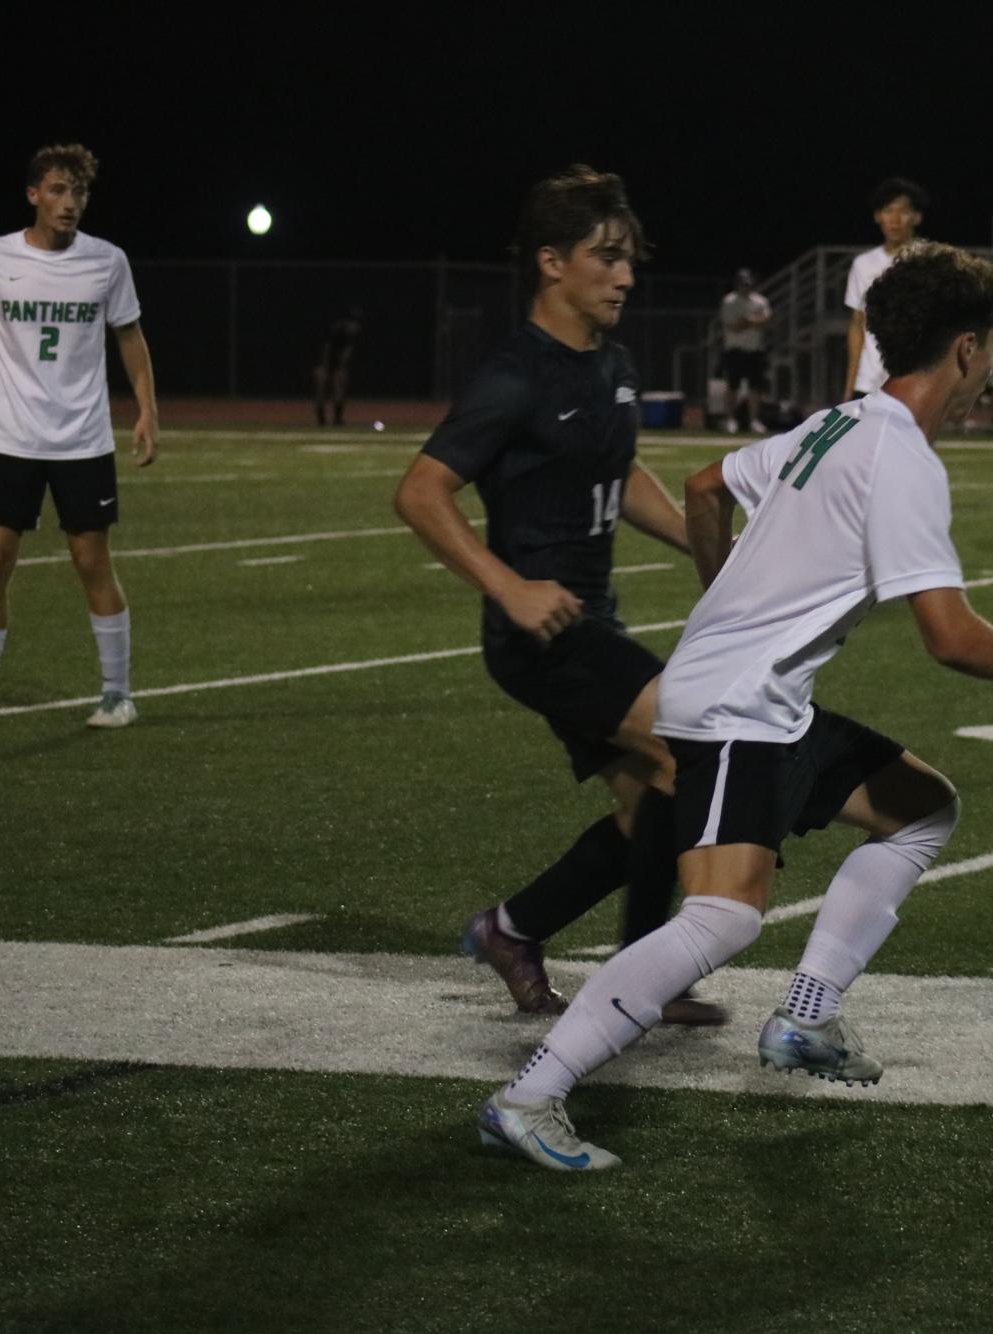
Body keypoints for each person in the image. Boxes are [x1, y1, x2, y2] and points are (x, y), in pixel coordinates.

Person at [476, 243, 993, 1171]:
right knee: (724, 919)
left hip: (755, 699)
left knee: (920, 810)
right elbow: (950, 637)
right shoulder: (900, 458)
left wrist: (725, 598)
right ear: (969, 351)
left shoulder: (839, 422)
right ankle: (529, 1096)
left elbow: (704, 486)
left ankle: (806, 1018)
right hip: (738, 708)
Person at [393, 167, 721, 1026]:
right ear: (550, 263)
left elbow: (620, 476)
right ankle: (637, 975)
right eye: (605, 258)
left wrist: (712, 542)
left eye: (629, 259)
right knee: (686, 753)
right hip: (537, 637)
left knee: (654, 794)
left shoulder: (611, 362)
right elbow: (421, 493)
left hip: (592, 619)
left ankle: (517, 931)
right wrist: (507, 585)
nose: (625, 275)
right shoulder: (513, 377)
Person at [0, 142, 159, 730]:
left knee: (91, 559)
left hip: (83, 440)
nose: (69, 203)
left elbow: (130, 338)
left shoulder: (108, 261)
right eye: (57, 190)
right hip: (9, 437)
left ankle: (117, 693)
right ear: (33, 195)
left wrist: (147, 409)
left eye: (78, 192)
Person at [842, 177, 927, 400]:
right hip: (868, 383)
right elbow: (857, 324)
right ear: (877, 216)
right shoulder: (863, 264)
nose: (895, 219)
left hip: (914, 383)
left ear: (917, 217)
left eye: (904, 211)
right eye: (888, 211)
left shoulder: (929, 261)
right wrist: (849, 387)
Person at [717, 268, 770, 434]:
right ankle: (731, 420)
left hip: (754, 349)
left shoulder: (760, 301)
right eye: (742, 284)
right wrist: (752, 320)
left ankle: (754, 420)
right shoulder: (730, 301)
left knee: (756, 387)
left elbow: (766, 321)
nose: (745, 287)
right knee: (733, 386)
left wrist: (747, 320)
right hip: (735, 349)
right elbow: (734, 326)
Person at [313, 306, 363, 427]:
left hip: (336, 365)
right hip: (325, 363)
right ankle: (321, 419)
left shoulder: (351, 337)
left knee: (339, 386)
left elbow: (346, 356)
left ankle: (337, 419)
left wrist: (341, 368)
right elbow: (327, 350)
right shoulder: (334, 333)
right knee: (322, 386)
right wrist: (325, 367)